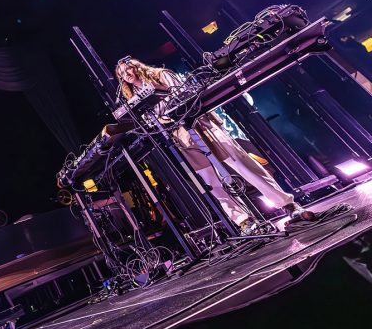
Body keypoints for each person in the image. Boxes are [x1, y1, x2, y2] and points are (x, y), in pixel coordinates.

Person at [114, 57, 309, 233]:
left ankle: (288, 204)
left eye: (127, 70)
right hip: (180, 135)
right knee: (210, 180)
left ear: (136, 66)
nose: (126, 75)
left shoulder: (160, 75)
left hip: (199, 122)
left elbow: (184, 95)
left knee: (241, 163)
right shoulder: (133, 97)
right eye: (121, 74)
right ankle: (244, 221)